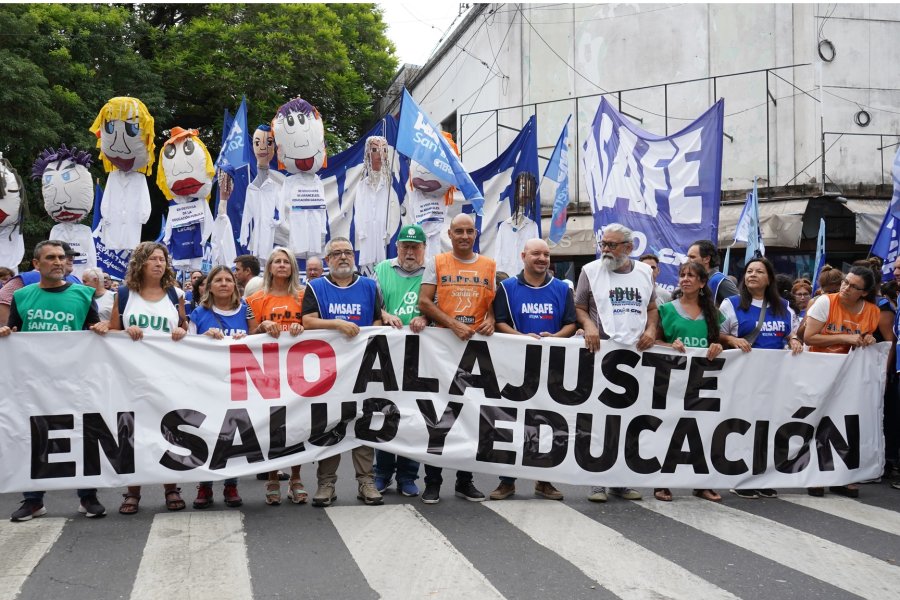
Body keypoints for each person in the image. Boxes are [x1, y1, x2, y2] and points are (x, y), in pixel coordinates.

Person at [3, 240, 109, 521]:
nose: (59, 262)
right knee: (34, 438)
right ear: (36, 264)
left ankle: (88, 497)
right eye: (51, 258)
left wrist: (101, 327)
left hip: (75, 381)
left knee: (82, 435)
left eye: (62, 257)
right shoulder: (23, 296)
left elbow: (95, 332)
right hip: (34, 383)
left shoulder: (84, 295)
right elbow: (14, 329)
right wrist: (6, 332)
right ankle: (33, 500)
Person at [417, 213, 496, 504]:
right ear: (450, 234)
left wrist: (490, 318)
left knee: (470, 417)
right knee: (437, 416)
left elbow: (492, 304)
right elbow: (424, 301)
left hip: (474, 352)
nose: (464, 236)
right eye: (459, 231)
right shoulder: (436, 262)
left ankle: (465, 480)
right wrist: (452, 324)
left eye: (469, 231)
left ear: (475, 235)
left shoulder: (488, 265)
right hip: (441, 349)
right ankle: (433, 481)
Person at [575, 223, 658, 503]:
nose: (606, 250)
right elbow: (580, 307)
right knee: (600, 419)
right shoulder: (590, 271)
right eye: (603, 245)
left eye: (612, 245)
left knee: (628, 421)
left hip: (635, 357)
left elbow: (652, 309)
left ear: (629, 248)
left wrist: (650, 331)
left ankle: (621, 481)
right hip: (602, 354)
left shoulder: (645, 273)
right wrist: (588, 326)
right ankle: (597, 481)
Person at [489, 238, 575, 502]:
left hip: (551, 367)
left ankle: (544, 481)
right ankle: (507, 481)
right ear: (523, 255)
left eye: (547, 255)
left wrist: (555, 338)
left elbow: (570, 324)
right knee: (511, 423)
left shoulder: (562, 289)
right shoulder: (506, 287)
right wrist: (521, 338)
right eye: (536, 254)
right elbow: (499, 321)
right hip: (514, 366)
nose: (542, 259)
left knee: (547, 422)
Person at [302, 236, 384, 506]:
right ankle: (326, 483)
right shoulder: (316, 287)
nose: (343, 257)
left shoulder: (370, 286)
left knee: (363, 423)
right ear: (328, 261)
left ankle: (366, 482)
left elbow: (375, 319)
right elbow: (307, 321)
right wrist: (338, 324)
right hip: (328, 370)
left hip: (362, 367)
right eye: (336, 253)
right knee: (330, 426)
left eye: (347, 252)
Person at [110, 242, 188, 514]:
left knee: (169, 430)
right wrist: (124, 331)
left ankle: (171, 488)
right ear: (140, 263)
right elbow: (110, 335)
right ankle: (133, 491)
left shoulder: (174, 294)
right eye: (153, 259)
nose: (159, 263)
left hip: (167, 375)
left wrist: (181, 332)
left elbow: (185, 327)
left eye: (162, 259)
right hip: (132, 377)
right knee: (131, 432)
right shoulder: (124, 294)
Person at [719, 257, 803, 499]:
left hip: (775, 380)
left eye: (758, 271)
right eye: (749, 271)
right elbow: (719, 335)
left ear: (769, 279)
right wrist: (732, 340)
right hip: (744, 379)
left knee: (769, 427)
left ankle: (763, 476)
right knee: (745, 426)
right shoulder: (731, 304)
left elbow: (792, 333)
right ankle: (741, 477)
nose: (752, 275)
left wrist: (794, 339)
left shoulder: (784, 307)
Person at [803, 265, 881, 498]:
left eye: (853, 286)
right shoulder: (826, 302)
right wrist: (845, 337)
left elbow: (870, 339)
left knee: (847, 422)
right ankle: (817, 474)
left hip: (849, 376)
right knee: (820, 421)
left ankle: (843, 476)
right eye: (846, 282)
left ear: (864, 293)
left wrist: (868, 339)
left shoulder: (872, 312)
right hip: (820, 370)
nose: (846, 288)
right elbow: (809, 336)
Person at [652, 261, 724, 503]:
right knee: (670, 429)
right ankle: (663, 482)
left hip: (703, 381)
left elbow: (718, 341)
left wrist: (719, 345)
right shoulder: (667, 310)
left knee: (703, 430)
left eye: (691, 276)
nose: (685, 279)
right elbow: (654, 342)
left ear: (702, 283)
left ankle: (701, 483)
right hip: (671, 379)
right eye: (682, 275)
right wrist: (669, 345)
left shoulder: (713, 313)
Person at [246, 246, 306, 504]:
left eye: (286, 262)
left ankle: (296, 477)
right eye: (276, 261)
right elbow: (246, 337)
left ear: (292, 267)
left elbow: (314, 324)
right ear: (269, 267)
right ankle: (272, 476)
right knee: (272, 427)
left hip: (297, 371)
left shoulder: (304, 297)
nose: (281, 265)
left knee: (298, 425)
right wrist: (261, 326)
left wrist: (301, 326)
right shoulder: (255, 300)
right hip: (267, 372)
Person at [372, 224, 428, 497]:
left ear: (423, 249)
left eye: (414, 247)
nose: (409, 251)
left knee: (414, 417)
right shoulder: (382, 269)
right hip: (388, 353)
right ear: (397, 248)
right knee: (386, 413)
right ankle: (381, 473)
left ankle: (408, 475)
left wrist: (425, 317)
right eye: (405, 246)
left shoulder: (432, 273)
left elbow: (438, 305)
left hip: (421, 355)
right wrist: (384, 314)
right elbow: (372, 303)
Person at [188, 265, 248, 509]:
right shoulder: (198, 315)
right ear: (209, 286)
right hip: (206, 385)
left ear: (235, 285)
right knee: (205, 434)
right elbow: (186, 348)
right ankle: (204, 484)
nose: (224, 283)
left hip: (238, 384)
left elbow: (260, 339)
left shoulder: (246, 311)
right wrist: (202, 339)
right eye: (218, 280)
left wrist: (249, 339)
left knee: (230, 436)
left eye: (228, 279)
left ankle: (230, 483)